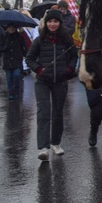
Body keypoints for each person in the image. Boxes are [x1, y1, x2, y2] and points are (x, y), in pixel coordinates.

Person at [26, 9, 78, 161]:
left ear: (59, 23)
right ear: (45, 23)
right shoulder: (39, 40)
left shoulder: (66, 39)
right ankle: (43, 148)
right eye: (49, 21)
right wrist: (39, 69)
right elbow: (29, 59)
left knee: (57, 113)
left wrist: (69, 69)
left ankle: (56, 143)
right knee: (43, 113)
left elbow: (74, 56)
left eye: (55, 21)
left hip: (60, 81)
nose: (52, 24)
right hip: (42, 81)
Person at [2, 24, 28, 99]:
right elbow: (1, 48)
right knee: (9, 78)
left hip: (17, 60)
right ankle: (11, 93)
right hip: (7, 61)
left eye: (13, 28)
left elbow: (24, 48)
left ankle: (16, 91)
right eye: (10, 27)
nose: (11, 29)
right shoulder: (4, 36)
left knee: (16, 76)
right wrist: (6, 44)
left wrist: (27, 56)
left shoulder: (20, 37)